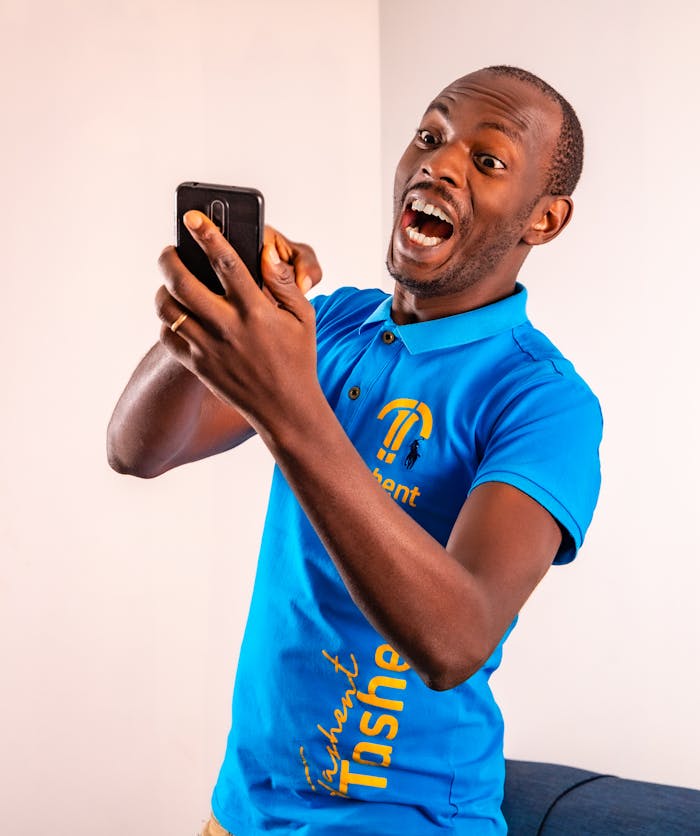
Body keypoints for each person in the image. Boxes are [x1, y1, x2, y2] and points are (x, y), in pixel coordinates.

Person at [108, 65, 602, 835]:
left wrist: (288, 407)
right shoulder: (330, 326)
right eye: (430, 137)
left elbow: (455, 641)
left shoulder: (542, 402)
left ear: (543, 220)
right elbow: (136, 448)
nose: (440, 162)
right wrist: (213, 311)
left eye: (488, 160)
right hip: (239, 813)